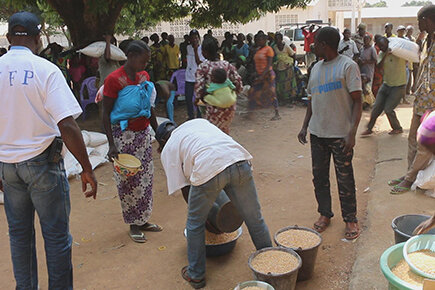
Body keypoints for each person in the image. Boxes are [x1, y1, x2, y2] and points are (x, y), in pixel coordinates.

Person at [0, 11, 98, 289]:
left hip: (8, 166)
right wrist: (87, 168)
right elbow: (67, 124)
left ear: (8, 37)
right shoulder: (46, 70)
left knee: (19, 235)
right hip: (42, 164)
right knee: (55, 237)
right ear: (39, 37)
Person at [156, 119, 272, 289]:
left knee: (194, 224)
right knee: (254, 217)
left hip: (208, 169)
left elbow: (185, 190)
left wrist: (205, 217)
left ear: (162, 141)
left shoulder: (169, 147)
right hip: (239, 160)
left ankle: (196, 276)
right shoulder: (198, 122)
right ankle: (271, 265)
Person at [298, 27, 362, 240]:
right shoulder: (315, 68)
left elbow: (358, 102)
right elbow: (311, 100)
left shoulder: (347, 66)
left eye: (315, 42)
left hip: (340, 135)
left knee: (345, 179)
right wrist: (305, 126)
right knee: (320, 178)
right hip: (318, 134)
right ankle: (325, 214)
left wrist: (352, 133)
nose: (312, 45)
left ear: (325, 44)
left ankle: (350, 218)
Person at [102, 40, 162, 243]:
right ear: (132, 56)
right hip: (123, 137)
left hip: (142, 135)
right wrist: (111, 144)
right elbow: (105, 113)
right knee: (128, 181)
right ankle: (133, 224)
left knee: (145, 179)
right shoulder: (114, 79)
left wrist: (158, 133)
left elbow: (149, 107)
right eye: (143, 61)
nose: (145, 65)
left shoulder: (143, 76)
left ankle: (143, 219)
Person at [388, 4, 435, 194]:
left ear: (428, 20)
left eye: (420, 21)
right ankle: (411, 173)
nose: (418, 24)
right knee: (412, 139)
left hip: (433, 102)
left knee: (424, 143)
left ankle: (410, 178)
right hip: (422, 99)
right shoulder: (426, 42)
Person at [195, 37, 242, 134]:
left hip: (214, 108)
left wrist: (201, 98)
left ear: (205, 52)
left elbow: (198, 90)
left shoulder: (203, 67)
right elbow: (238, 83)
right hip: (229, 107)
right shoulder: (227, 64)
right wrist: (231, 94)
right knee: (225, 131)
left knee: (213, 134)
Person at [361, 36, 406, 136]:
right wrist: (386, 54)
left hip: (398, 86)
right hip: (386, 84)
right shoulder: (381, 54)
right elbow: (379, 65)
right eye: (379, 46)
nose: (380, 48)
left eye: (382, 46)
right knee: (376, 107)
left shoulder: (398, 53)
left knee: (388, 109)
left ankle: (397, 128)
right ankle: (369, 128)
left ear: (388, 44)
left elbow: (407, 58)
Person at [248, 33, 280, 120]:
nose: (257, 41)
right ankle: (250, 113)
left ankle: (277, 113)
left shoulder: (269, 49)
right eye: (257, 40)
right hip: (260, 74)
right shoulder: (258, 50)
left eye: (259, 40)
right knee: (252, 92)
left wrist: (262, 75)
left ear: (265, 40)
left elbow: (269, 64)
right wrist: (257, 73)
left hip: (268, 74)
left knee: (272, 92)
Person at [185, 29, 205, 120]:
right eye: (192, 38)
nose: (194, 40)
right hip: (189, 77)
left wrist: (196, 50)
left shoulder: (202, 49)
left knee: (199, 99)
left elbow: (199, 62)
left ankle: (199, 116)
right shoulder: (188, 48)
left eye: (196, 38)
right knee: (188, 99)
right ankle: (191, 116)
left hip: (198, 77)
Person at [273, 32, 297, 103]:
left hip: (287, 67)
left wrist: (292, 64)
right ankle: (282, 98)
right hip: (279, 67)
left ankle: (289, 98)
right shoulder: (274, 48)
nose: (277, 41)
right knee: (281, 84)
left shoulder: (286, 46)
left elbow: (293, 55)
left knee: (288, 83)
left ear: (281, 39)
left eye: (278, 39)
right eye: (276, 39)